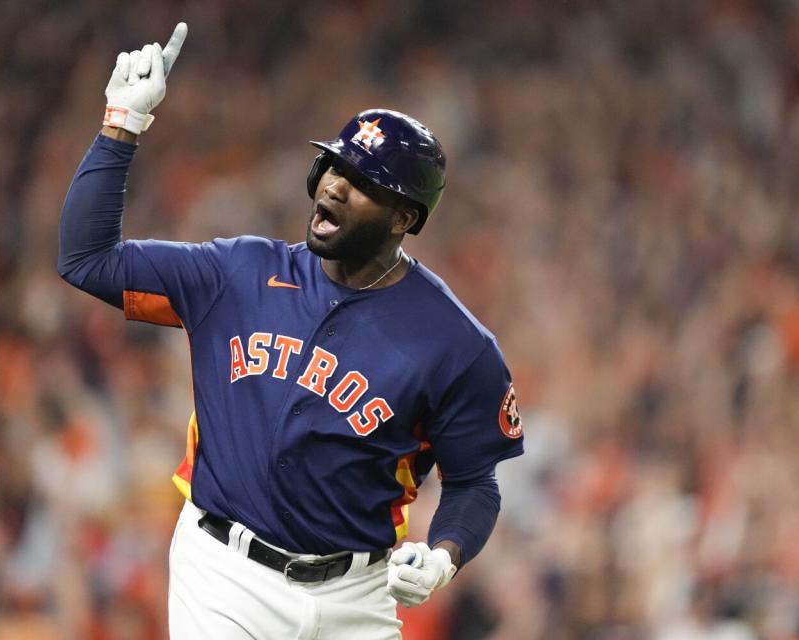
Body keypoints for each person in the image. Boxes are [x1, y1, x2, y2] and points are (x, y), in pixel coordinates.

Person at [58, 22, 525, 640]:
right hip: (225, 573)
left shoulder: (456, 344)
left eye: (361, 183)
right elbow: (86, 259)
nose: (334, 183)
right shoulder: (238, 273)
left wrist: (443, 556)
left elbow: (473, 482)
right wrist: (120, 126)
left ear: (404, 218)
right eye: (334, 165)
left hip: (358, 593)